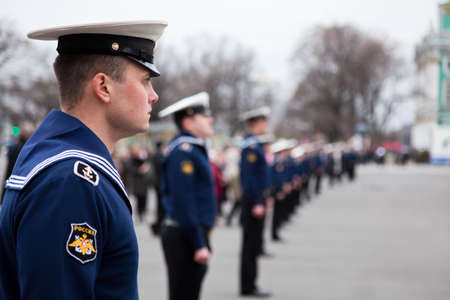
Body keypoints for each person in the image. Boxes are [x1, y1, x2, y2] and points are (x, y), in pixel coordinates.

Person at [0, 20, 167, 300]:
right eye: (145, 80)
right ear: (103, 86)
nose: (154, 96)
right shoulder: (69, 180)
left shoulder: (62, 162)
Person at [158, 92, 216, 300]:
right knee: (184, 293)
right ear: (188, 121)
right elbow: (184, 201)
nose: (211, 120)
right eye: (205, 116)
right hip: (184, 233)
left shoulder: (192, 148)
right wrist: (199, 242)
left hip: (189, 232)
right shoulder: (184, 151)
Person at [239, 106, 272, 298]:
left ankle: (250, 283)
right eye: (263, 122)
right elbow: (249, 178)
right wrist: (257, 202)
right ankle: (248, 285)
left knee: (253, 245)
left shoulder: (256, 144)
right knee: (250, 246)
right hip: (252, 202)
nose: (266, 125)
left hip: (257, 200)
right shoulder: (250, 146)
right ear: (255, 124)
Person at [150, 140, 166, 236]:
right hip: (160, 184)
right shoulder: (159, 156)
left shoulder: (155, 156)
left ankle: (157, 226)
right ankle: (157, 226)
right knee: (161, 206)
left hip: (157, 183)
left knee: (160, 205)